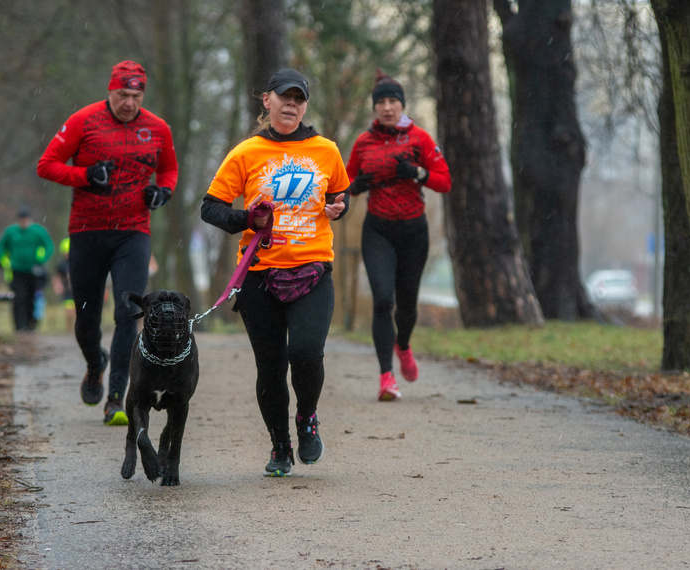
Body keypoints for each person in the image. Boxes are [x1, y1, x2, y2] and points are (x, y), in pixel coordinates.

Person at [201, 68, 349, 477]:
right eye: (284, 97)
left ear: (305, 105)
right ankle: (280, 447)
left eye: (299, 99)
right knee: (270, 367)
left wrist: (340, 207)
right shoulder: (246, 152)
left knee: (305, 353)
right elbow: (210, 207)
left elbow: (339, 195)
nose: (291, 104)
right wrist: (245, 217)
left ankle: (307, 418)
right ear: (266, 100)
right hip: (259, 275)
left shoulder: (326, 150)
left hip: (313, 271)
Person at [37, 60, 179, 426]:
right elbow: (47, 164)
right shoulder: (84, 120)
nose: (129, 103)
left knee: (127, 313)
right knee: (86, 320)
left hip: (133, 232)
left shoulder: (158, 127)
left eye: (135, 96)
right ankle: (94, 363)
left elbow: (168, 169)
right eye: (122, 95)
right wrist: (84, 175)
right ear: (110, 90)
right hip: (87, 232)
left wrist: (162, 192)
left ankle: (116, 399)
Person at [345, 69, 452, 402]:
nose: (388, 107)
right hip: (377, 229)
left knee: (406, 306)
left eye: (393, 101)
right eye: (382, 102)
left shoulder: (419, 138)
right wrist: (354, 188)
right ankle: (386, 378)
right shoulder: (363, 143)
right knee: (382, 301)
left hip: (413, 231)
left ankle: (403, 344)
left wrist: (418, 173)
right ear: (375, 107)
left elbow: (444, 181)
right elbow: (341, 187)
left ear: (402, 105)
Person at [0, 206, 55, 332]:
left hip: (34, 270)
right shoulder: (11, 232)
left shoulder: (38, 231)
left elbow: (49, 246)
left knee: (32, 297)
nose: (24, 222)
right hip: (16, 270)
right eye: (21, 219)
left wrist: (41, 260)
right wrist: (4, 262)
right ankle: (19, 326)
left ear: (29, 219)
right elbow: (0, 249)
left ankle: (31, 325)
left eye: (26, 219)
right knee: (19, 297)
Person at [51, 238, 76, 332]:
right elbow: (57, 276)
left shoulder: (78, 262)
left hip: (77, 291)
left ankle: (76, 328)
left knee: (77, 311)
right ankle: (69, 329)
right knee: (69, 310)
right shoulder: (61, 264)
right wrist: (57, 285)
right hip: (67, 291)